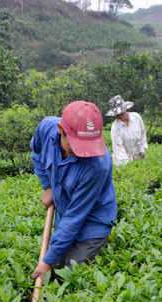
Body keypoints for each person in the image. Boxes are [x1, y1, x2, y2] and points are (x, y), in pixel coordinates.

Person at [30, 101, 117, 280]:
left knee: (67, 277)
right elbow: (37, 153)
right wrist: (47, 185)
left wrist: (46, 262)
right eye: (76, 146)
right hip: (64, 213)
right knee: (56, 267)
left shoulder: (99, 165)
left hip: (92, 223)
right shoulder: (46, 129)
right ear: (60, 129)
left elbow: (75, 218)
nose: (83, 153)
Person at [106, 95, 148, 166]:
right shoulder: (115, 127)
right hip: (122, 160)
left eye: (121, 113)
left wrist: (142, 150)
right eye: (117, 115)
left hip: (137, 157)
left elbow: (142, 134)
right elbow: (118, 147)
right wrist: (126, 164)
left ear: (126, 109)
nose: (120, 116)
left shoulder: (136, 117)